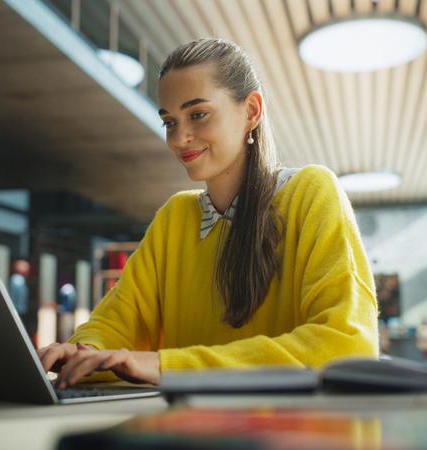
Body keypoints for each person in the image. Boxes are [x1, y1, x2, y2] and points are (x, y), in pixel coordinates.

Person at [38, 38, 379, 389]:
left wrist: (169, 366)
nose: (179, 138)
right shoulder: (175, 218)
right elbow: (117, 322)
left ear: (251, 111)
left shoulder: (310, 192)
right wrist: (84, 352)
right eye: (170, 122)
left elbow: (346, 345)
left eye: (198, 115)